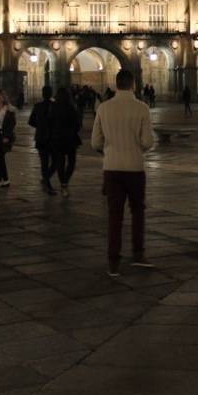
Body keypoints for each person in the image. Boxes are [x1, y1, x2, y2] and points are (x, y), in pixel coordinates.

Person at [92, 70, 156, 276]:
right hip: (135, 168)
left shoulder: (103, 107)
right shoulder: (142, 108)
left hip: (111, 169)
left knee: (114, 215)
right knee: (137, 212)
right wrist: (135, 148)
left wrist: (110, 150)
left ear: (116, 84)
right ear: (133, 85)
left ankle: (113, 262)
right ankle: (138, 254)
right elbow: (147, 142)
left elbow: (95, 143)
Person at [50, 87, 82, 197]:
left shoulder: (53, 107)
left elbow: (51, 122)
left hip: (57, 138)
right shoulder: (72, 107)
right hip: (70, 138)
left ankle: (62, 183)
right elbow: (78, 124)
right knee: (71, 162)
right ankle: (65, 182)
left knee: (60, 162)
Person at [28, 85, 57, 195]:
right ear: (51, 94)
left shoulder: (37, 106)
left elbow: (31, 121)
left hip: (41, 138)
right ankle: (47, 183)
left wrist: (40, 126)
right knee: (55, 162)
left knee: (44, 163)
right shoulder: (55, 106)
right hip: (52, 138)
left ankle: (46, 180)